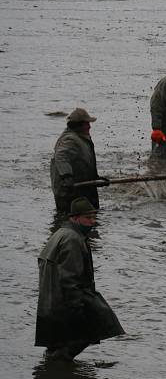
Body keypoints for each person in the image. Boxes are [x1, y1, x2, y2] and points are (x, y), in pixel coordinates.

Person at [35, 197, 125, 361]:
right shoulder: (73, 240)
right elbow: (70, 280)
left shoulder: (60, 233)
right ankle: (59, 370)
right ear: (75, 218)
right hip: (63, 304)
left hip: (50, 304)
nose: (92, 222)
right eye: (88, 218)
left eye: (94, 217)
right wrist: (77, 311)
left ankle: (54, 366)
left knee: (59, 342)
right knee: (90, 329)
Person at [50, 108, 103, 213]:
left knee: (89, 218)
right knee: (72, 220)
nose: (89, 126)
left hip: (81, 188)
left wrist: (95, 179)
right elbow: (61, 156)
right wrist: (67, 176)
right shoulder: (70, 140)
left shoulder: (80, 137)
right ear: (78, 125)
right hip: (69, 192)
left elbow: (84, 162)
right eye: (87, 123)